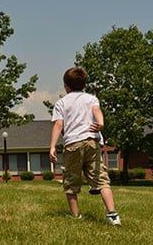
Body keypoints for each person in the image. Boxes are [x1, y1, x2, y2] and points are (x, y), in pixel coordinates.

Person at [49, 66, 121, 225]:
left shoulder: (61, 103)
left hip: (73, 143)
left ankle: (76, 216)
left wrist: (53, 146)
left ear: (66, 86)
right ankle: (113, 215)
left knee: (71, 181)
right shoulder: (91, 98)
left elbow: (58, 125)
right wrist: (101, 123)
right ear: (84, 85)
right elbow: (97, 111)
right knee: (101, 179)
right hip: (92, 142)